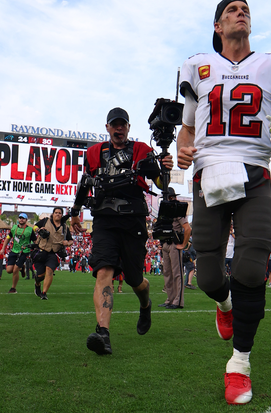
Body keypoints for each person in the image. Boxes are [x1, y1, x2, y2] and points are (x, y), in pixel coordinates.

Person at [175, 0, 271, 405]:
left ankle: (239, 363)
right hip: (209, 172)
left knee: (250, 266)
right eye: (231, 10)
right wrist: (181, 147)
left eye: (245, 9)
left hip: (255, 173)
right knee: (210, 276)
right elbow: (187, 129)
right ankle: (224, 303)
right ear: (218, 26)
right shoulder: (198, 66)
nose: (240, 13)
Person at [70, 107, 170, 356]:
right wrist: (75, 211)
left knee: (135, 279)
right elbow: (86, 182)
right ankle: (103, 333)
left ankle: (145, 304)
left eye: (122, 124)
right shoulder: (93, 153)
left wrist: (163, 168)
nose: (119, 128)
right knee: (103, 270)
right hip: (104, 220)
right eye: (114, 124)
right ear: (107, 128)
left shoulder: (141, 151)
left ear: (128, 127)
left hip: (133, 221)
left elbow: (159, 182)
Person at [160, 189, 192, 309]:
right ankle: (170, 299)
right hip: (166, 244)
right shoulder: (166, 212)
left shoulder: (178, 211)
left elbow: (187, 228)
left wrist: (183, 244)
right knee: (167, 273)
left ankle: (177, 301)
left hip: (174, 244)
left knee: (176, 273)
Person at [32, 207, 73, 300]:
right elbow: (34, 226)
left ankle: (44, 293)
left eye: (59, 213)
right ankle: (37, 284)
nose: (57, 214)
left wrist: (68, 243)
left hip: (53, 253)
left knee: (50, 270)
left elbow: (71, 240)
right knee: (40, 276)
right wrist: (38, 230)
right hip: (41, 251)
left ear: (62, 215)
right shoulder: (45, 221)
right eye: (56, 212)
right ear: (53, 214)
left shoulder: (65, 227)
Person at [1, 213, 36, 294]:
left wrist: (34, 248)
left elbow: (35, 241)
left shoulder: (30, 230)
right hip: (14, 251)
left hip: (24, 251)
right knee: (9, 270)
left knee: (15, 269)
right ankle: (22, 268)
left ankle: (13, 288)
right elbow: (8, 238)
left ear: (26, 220)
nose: (21, 219)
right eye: (20, 218)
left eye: (23, 218)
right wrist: (3, 248)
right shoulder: (14, 228)